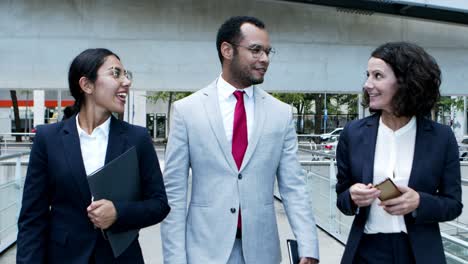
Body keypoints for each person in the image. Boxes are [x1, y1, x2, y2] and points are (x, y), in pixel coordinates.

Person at [161, 16, 319, 264]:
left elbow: (294, 187)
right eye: (256, 50)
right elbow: (174, 194)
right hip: (203, 252)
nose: (265, 59)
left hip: (262, 252)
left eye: (268, 52)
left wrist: (309, 247)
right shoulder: (187, 110)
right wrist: (174, 259)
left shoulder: (281, 113)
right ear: (227, 50)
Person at [17, 48, 170, 263]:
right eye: (116, 73)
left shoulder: (137, 138)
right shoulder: (48, 138)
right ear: (86, 85)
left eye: (126, 74)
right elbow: (32, 218)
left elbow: (159, 204)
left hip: (121, 258)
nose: (126, 81)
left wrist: (118, 213)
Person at [336, 42, 463, 264]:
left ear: (406, 82)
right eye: (367, 75)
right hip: (366, 253)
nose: (367, 85)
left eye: (377, 76)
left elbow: (453, 205)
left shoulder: (441, 137)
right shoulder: (353, 133)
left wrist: (419, 202)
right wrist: (353, 197)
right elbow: (342, 199)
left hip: (420, 255)